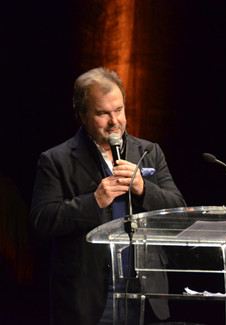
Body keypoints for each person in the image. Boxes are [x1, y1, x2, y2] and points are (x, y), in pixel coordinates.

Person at [30, 67, 186, 324]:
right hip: (89, 297)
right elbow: (41, 222)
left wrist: (143, 188)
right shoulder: (55, 160)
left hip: (146, 293)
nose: (115, 121)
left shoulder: (149, 151)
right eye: (103, 113)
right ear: (82, 115)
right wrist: (94, 202)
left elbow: (178, 211)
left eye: (119, 110)